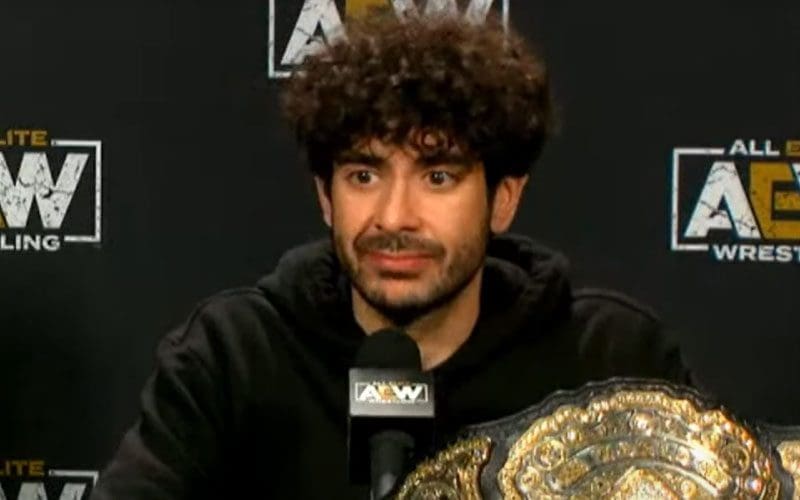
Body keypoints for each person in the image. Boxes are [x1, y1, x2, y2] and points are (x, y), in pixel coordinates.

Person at [91, 13, 691, 500]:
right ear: (326, 198)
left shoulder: (612, 361)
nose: (394, 217)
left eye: (437, 176)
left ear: (503, 200)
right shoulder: (233, 358)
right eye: (364, 175)